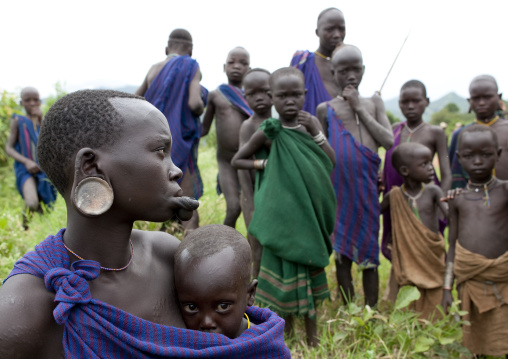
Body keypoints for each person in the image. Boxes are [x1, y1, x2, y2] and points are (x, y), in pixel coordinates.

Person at [0, 90, 289, 358]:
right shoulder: (24, 309)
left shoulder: (168, 255)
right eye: (160, 150)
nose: (175, 170)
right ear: (91, 166)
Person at [232, 67, 336, 346]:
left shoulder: (310, 126)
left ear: (304, 95)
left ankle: (313, 340)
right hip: (281, 216)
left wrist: (316, 133)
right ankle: (287, 335)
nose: (289, 101)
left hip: (309, 214)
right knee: (286, 277)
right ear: (274, 98)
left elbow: (330, 161)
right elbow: (238, 160)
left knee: (308, 268)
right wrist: (265, 163)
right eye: (282, 95)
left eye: (295, 95)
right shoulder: (270, 131)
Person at [316, 45, 393, 307]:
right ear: (333, 72)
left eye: (356, 69)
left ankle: (371, 309)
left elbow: (387, 139)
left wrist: (359, 108)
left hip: (368, 190)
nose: (351, 75)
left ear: (363, 70)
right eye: (344, 70)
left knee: (369, 252)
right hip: (339, 191)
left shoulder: (374, 103)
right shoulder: (325, 109)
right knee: (342, 252)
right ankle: (348, 307)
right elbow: (323, 152)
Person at [442, 125, 508, 357]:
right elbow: (451, 246)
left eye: (486, 154)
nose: (478, 161)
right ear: (459, 158)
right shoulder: (458, 199)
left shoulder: (505, 191)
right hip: (470, 281)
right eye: (469, 156)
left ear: (498, 154)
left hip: (503, 278)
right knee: (473, 337)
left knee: (504, 331)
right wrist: (447, 288)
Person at [136, 28, 207, 230]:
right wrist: (203, 100)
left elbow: (136, 99)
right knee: (187, 201)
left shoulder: (154, 68)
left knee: (162, 190)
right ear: (190, 50)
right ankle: (190, 252)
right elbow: (194, 104)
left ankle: (165, 238)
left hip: (150, 139)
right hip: (177, 140)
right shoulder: (191, 65)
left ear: (167, 48)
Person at [382, 80, 450, 260]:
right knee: (400, 248)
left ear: (426, 101)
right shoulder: (395, 129)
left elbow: (446, 172)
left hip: (426, 199)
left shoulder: (435, 132)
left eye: (416, 101)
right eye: (405, 102)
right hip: (399, 198)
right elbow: (387, 166)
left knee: (427, 249)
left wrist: (439, 203)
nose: (410, 106)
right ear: (399, 104)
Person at [381, 143, 448, 319]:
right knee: (409, 287)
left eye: (430, 163)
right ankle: (410, 319)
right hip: (408, 253)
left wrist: (458, 200)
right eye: (424, 164)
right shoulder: (395, 195)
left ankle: (435, 319)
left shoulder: (433, 191)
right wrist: (375, 188)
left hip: (431, 251)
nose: (431, 168)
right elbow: (374, 211)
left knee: (434, 286)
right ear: (405, 171)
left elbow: (449, 213)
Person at [174, 225, 259, 338]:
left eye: (223, 306)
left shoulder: (267, 348)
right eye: (191, 308)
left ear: (250, 294)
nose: (206, 323)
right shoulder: (179, 343)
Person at [202, 47, 251, 228]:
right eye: (232, 62)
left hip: (249, 160)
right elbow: (204, 129)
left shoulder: (253, 97)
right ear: (224, 67)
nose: (236, 66)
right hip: (226, 161)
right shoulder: (216, 95)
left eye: (243, 63)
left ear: (249, 69)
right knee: (233, 207)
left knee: (251, 209)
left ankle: (253, 251)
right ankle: (224, 243)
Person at [237, 68, 272, 278]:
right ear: (245, 96)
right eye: (252, 93)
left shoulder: (281, 125)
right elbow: (242, 166)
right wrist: (249, 205)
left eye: (265, 91)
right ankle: (255, 296)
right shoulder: (248, 127)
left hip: (276, 198)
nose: (259, 98)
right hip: (254, 196)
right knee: (257, 247)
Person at [5, 87, 57, 223]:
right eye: (27, 100)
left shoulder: (43, 121)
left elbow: (51, 143)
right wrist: (27, 162)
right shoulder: (18, 121)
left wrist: (41, 119)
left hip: (42, 168)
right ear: (21, 103)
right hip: (25, 169)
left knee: (45, 205)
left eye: (35, 100)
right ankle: (24, 226)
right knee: (32, 202)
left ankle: (35, 231)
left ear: (40, 102)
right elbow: (9, 148)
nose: (32, 103)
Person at [449, 75, 508, 189]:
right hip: (472, 202)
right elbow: (454, 171)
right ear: (469, 101)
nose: (481, 103)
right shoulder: (461, 134)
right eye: (476, 98)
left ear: (498, 98)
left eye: (487, 97)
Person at [291, 7, 346, 115]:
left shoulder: (348, 66)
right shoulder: (303, 62)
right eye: (330, 29)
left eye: (341, 29)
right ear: (317, 32)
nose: (337, 35)